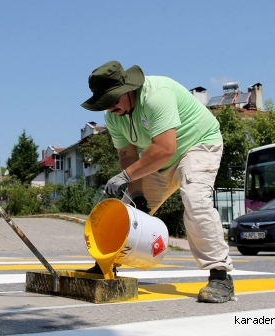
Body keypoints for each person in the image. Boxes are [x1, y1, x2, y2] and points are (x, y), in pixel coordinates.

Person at [80, 61, 234, 303]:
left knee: (195, 200)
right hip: (158, 159)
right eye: (105, 102)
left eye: (114, 99)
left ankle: (220, 276)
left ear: (128, 89)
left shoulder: (156, 95)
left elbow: (164, 148)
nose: (111, 107)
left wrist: (127, 177)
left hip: (198, 144)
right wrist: (136, 192)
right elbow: (128, 157)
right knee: (127, 210)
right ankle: (105, 265)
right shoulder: (114, 117)